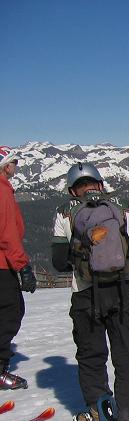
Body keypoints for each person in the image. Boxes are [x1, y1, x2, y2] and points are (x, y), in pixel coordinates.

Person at [51, 162, 129, 421]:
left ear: (73, 190)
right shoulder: (125, 208)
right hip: (122, 291)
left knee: (91, 355)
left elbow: (58, 261)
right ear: (101, 184)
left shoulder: (64, 212)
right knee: (125, 354)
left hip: (85, 293)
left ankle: (99, 413)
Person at [0, 145, 36, 390]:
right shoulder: (3, 192)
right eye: (14, 162)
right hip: (4, 265)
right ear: (5, 166)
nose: (17, 166)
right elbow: (8, 235)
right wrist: (23, 267)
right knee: (10, 314)